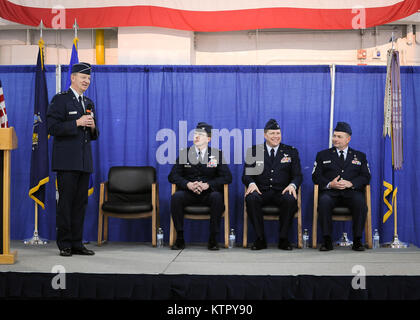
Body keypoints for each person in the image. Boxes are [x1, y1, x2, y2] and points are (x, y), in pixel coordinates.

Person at [47, 62, 99, 257]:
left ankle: (77, 243)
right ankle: (65, 244)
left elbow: (93, 134)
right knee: (66, 204)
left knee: (80, 204)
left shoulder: (89, 103)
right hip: (67, 162)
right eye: (83, 77)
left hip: (84, 162)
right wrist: (76, 123)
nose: (86, 81)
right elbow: (52, 128)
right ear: (73, 78)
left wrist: (92, 127)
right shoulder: (60, 100)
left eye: (89, 78)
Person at [168, 122, 232, 250]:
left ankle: (213, 239)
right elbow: (173, 176)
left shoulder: (216, 154)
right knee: (176, 197)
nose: (196, 137)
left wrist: (208, 185)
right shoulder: (184, 153)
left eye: (200, 135)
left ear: (208, 139)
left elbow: (227, 177)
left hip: (208, 194)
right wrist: (188, 184)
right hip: (189, 193)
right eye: (195, 134)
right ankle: (179, 237)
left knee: (217, 197)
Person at [242, 119, 302, 250]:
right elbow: (246, 175)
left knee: (290, 199)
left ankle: (283, 239)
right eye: (272, 133)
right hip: (261, 192)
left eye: (278, 133)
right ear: (265, 135)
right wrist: (251, 183)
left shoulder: (291, 152)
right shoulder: (254, 151)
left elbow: (297, 176)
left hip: (282, 192)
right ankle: (260, 239)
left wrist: (292, 185)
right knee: (251, 198)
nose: (276, 136)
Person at [312, 122, 371, 251]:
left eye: (339, 136)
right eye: (334, 136)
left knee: (360, 203)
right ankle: (327, 240)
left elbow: (366, 177)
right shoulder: (322, 155)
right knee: (324, 201)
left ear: (348, 139)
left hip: (351, 192)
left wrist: (352, 183)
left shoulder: (360, 156)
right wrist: (330, 184)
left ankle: (357, 240)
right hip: (331, 192)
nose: (335, 139)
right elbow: (315, 176)